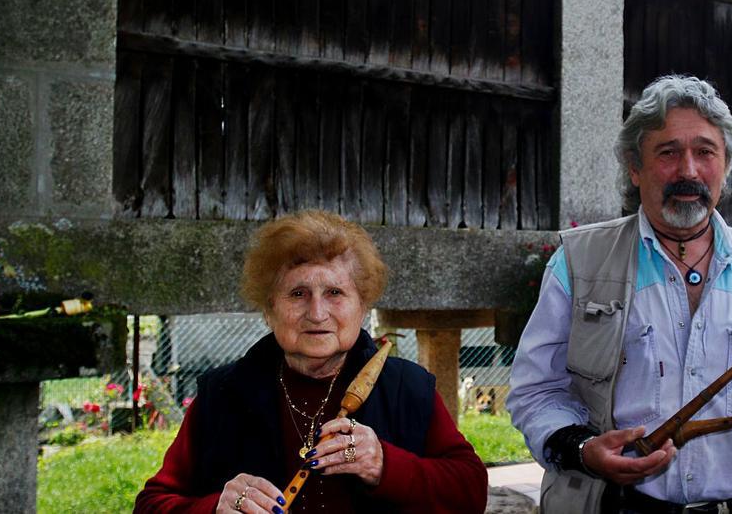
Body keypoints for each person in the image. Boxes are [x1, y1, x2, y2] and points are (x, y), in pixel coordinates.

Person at [507, 75, 732, 514]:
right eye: (668, 152)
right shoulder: (580, 262)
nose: (688, 170)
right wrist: (580, 449)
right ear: (636, 168)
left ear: (725, 168)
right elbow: (537, 390)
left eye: (705, 152)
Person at [136, 210, 487, 513]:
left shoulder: (406, 387)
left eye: (335, 293)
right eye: (298, 294)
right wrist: (214, 507)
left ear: (362, 306)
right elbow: (152, 503)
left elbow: (471, 492)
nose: (317, 313)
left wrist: (385, 465)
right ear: (270, 309)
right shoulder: (225, 392)